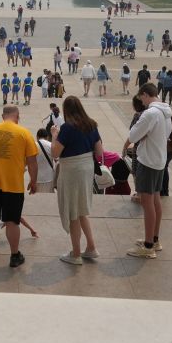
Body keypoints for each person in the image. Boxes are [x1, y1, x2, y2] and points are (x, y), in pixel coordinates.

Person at [0, 105, 38, 268]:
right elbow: (32, 162)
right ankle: (14, 255)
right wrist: (33, 181)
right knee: (12, 221)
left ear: (2, 116)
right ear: (17, 116)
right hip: (13, 185)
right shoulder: (24, 133)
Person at [52, 96, 103, 264]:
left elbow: (55, 153)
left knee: (73, 211)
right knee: (81, 209)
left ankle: (76, 254)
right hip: (87, 167)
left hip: (72, 170)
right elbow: (99, 151)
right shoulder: (92, 124)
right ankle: (91, 247)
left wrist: (54, 135)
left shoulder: (67, 128)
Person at [124, 83, 172, 258]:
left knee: (147, 203)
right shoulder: (166, 111)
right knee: (156, 200)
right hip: (159, 160)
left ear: (145, 95)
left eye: (141, 99)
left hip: (148, 161)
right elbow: (167, 134)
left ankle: (148, 246)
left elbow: (133, 135)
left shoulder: (151, 113)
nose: (142, 103)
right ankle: (155, 239)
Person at [33, 128, 56, 194]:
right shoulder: (51, 145)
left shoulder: (33, 145)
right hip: (49, 178)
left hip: (36, 178)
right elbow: (56, 159)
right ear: (47, 137)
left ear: (37, 136)